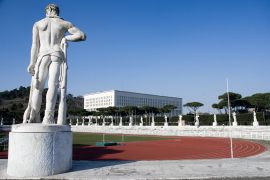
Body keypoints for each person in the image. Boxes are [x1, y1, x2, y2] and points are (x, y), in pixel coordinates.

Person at [23, 4, 86, 124]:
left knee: (38, 88)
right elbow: (82, 35)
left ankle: (34, 116)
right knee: (53, 85)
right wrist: (66, 38)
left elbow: (35, 45)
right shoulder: (64, 23)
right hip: (56, 53)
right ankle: (48, 116)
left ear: (48, 10)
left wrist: (31, 62)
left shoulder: (38, 24)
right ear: (56, 11)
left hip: (42, 55)